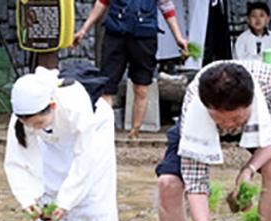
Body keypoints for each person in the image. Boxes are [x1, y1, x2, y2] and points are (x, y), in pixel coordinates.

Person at [156, 61, 271, 221]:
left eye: (235, 118)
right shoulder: (195, 100)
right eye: (220, 119)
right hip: (201, 124)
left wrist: (248, 171)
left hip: (259, 129)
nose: (228, 126)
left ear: (251, 104)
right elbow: (196, 179)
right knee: (168, 183)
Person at [4, 67, 118, 221]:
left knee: (93, 185)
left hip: (93, 128)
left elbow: (84, 160)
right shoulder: (23, 114)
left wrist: (65, 203)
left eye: (38, 123)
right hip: (53, 135)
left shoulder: (76, 106)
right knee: (50, 176)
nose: (33, 128)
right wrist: (27, 199)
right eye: (29, 124)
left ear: (53, 107)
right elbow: (18, 159)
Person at [72, 0, 188, 139]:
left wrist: (178, 37)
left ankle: (135, 131)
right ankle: (104, 132)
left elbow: (167, 7)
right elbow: (102, 2)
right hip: (115, 34)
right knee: (106, 87)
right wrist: (84, 29)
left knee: (142, 87)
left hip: (144, 37)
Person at [234, 2, 271, 66]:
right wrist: (262, 59)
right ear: (248, 20)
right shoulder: (242, 38)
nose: (258, 20)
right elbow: (239, 58)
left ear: (267, 19)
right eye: (253, 16)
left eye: (261, 16)